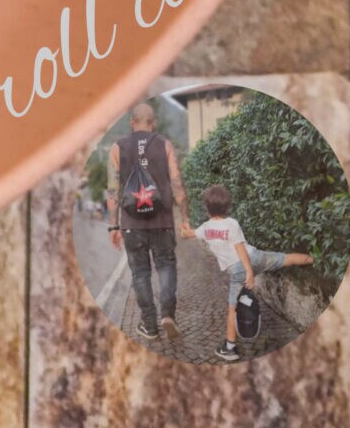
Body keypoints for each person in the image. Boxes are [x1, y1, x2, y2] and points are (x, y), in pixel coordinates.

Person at [194, 182, 315, 361]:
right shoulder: (232, 223)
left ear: (206, 208)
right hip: (256, 257)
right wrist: (250, 270)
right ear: (227, 206)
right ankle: (315, 260)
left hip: (239, 270)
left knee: (232, 309)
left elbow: (237, 249)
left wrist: (249, 273)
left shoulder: (205, 228)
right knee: (285, 258)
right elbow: (242, 248)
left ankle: (229, 348)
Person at [105, 101, 193, 343]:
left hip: (132, 224)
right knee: (165, 266)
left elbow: (112, 191)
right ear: (153, 124)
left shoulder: (116, 147)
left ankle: (149, 325)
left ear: (132, 123)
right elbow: (177, 183)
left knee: (140, 274)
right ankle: (168, 315)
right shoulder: (164, 144)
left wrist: (114, 226)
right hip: (163, 221)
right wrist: (185, 218)